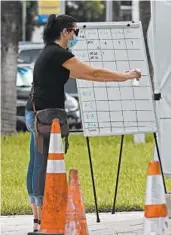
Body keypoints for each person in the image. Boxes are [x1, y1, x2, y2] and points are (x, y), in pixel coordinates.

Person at [25, 14, 141, 232]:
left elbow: (90, 76)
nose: (76, 36)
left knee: (35, 164)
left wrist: (119, 77)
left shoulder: (49, 52)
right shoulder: (59, 54)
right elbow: (94, 73)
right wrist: (125, 76)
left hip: (35, 111)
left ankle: (37, 218)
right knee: (42, 164)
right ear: (65, 32)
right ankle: (43, 218)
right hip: (46, 114)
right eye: (75, 31)